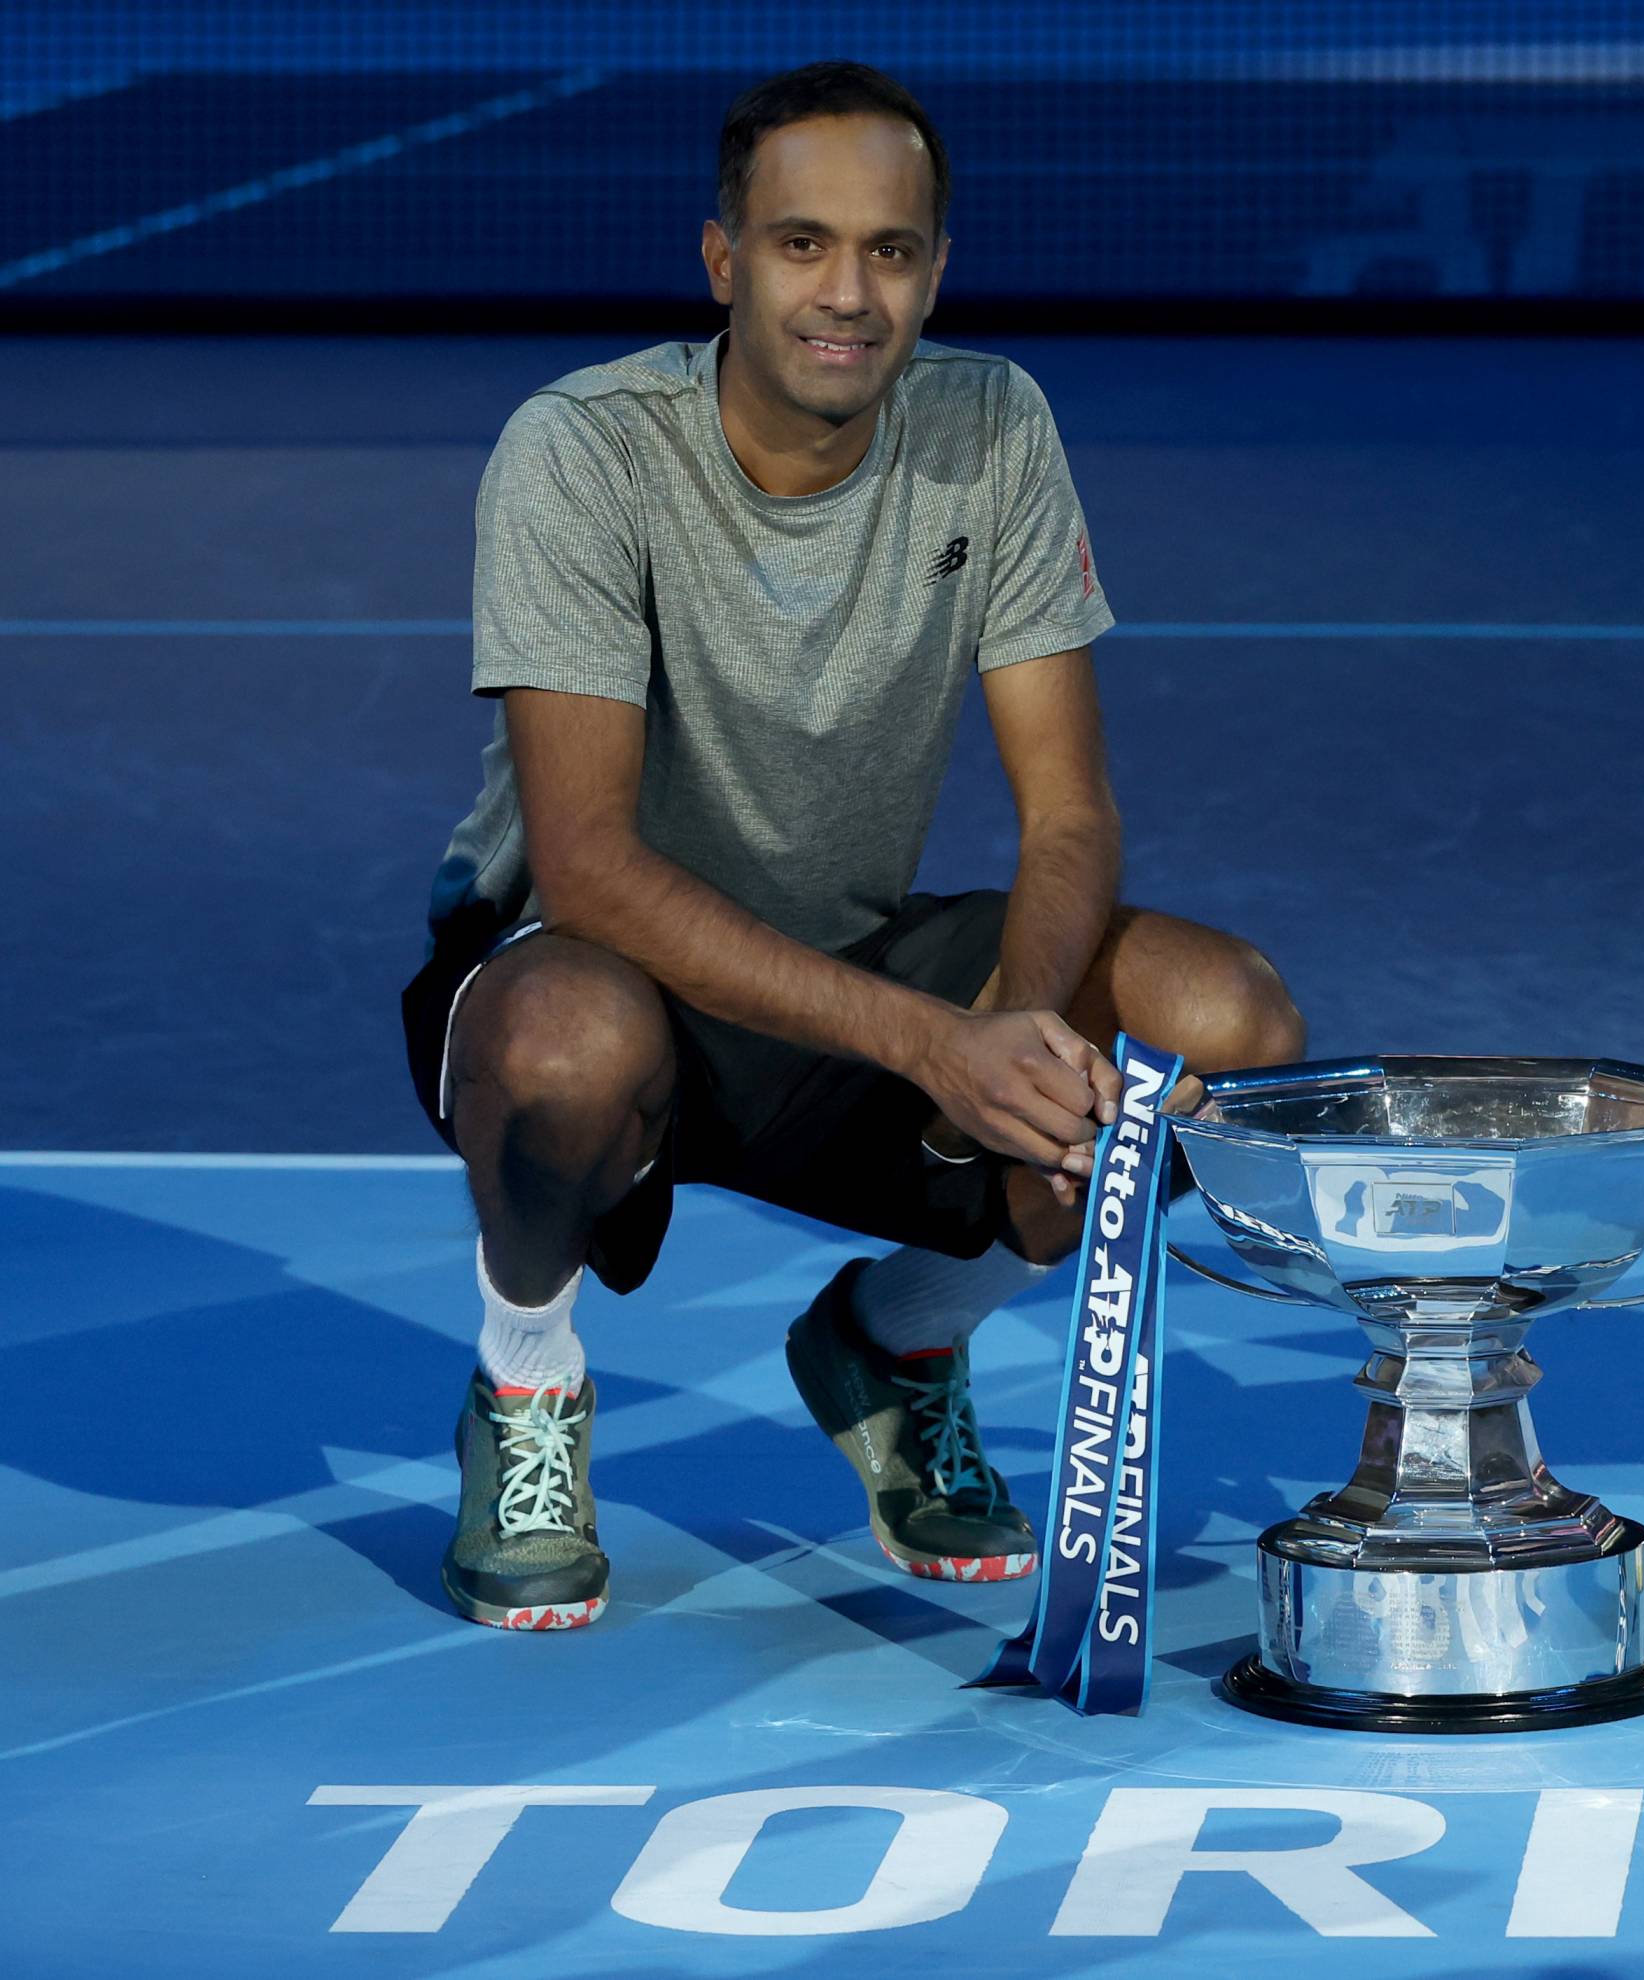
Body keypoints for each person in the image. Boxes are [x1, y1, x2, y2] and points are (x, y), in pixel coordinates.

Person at [399, 62, 1303, 1630]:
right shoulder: (583, 451)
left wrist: (1008, 1052)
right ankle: (527, 1386)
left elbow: (1070, 811)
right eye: (802, 243)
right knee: (563, 1048)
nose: (847, 291)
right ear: (723, 260)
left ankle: (893, 1338)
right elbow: (590, 864)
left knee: (1217, 1026)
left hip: (847, 965)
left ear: (935, 271)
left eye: (889, 251)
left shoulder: (992, 424)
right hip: (590, 973)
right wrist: (939, 1050)